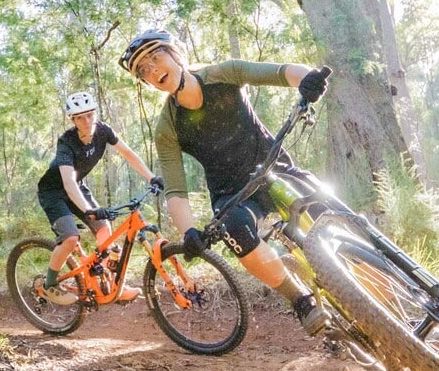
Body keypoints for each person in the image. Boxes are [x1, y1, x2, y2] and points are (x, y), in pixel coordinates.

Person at [119, 28, 332, 335]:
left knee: (326, 207)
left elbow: (282, 73)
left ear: (174, 53)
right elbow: (176, 190)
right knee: (235, 231)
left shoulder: (223, 74)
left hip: (275, 169)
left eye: (155, 56)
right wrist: (188, 231)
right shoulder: (167, 127)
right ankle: (299, 300)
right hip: (232, 194)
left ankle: (373, 276)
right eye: (143, 70)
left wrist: (308, 79)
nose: (152, 70)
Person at [37, 91, 161, 304]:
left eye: (90, 115)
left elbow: (128, 153)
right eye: (80, 117)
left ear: (95, 113)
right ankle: (48, 285)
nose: (86, 121)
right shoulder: (66, 142)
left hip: (78, 187)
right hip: (54, 192)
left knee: (105, 232)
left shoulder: (104, 131)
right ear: (73, 120)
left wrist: (152, 178)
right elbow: (68, 182)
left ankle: (111, 286)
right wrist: (87, 210)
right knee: (70, 238)